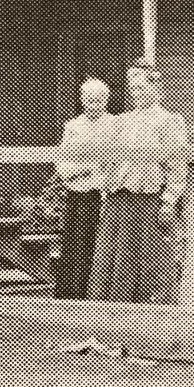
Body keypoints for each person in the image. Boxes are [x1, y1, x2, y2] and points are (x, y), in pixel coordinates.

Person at [89, 60, 188, 304]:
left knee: (147, 261)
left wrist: (169, 200)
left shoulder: (168, 121)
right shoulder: (122, 121)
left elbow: (177, 163)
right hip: (118, 200)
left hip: (148, 201)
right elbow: (105, 156)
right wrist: (104, 184)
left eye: (142, 87)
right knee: (112, 259)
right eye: (133, 88)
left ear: (157, 88)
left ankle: (147, 323)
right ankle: (109, 319)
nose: (137, 93)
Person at [52, 78, 115, 300]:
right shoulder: (73, 126)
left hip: (101, 195)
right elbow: (63, 166)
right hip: (76, 194)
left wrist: (89, 167)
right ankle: (70, 296)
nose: (93, 105)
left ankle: (94, 296)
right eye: (89, 100)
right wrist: (89, 166)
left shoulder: (114, 125)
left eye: (98, 101)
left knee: (95, 245)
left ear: (106, 101)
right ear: (81, 100)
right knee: (72, 244)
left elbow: (111, 165)